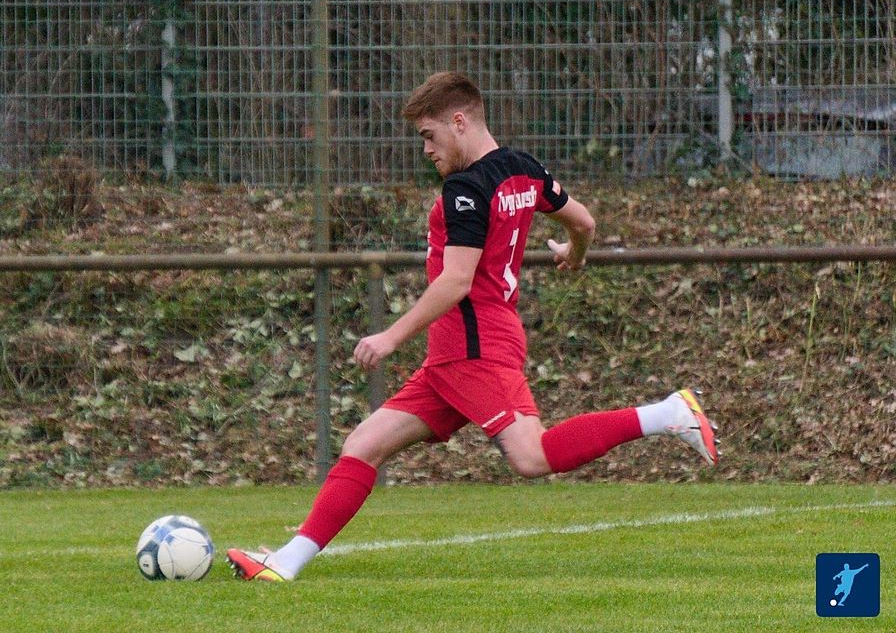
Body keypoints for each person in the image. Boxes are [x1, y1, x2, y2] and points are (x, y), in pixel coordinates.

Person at [227, 72, 718, 582]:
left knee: (532, 456)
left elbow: (456, 281)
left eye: (429, 135)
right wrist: (573, 254)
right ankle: (285, 563)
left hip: (474, 349)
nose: (426, 150)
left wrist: (389, 336)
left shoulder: (465, 187)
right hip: (456, 354)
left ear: (459, 121)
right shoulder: (522, 169)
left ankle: (667, 414)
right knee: (363, 445)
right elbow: (585, 223)